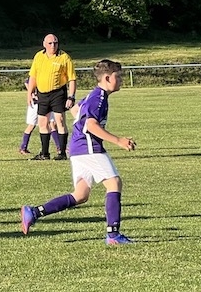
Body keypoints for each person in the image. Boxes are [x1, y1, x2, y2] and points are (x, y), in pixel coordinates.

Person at [21, 59, 136, 245]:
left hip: (78, 148)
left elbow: (77, 111)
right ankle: (113, 235)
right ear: (107, 78)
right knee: (114, 183)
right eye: (118, 76)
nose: (121, 80)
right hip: (88, 147)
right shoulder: (98, 99)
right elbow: (91, 125)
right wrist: (118, 141)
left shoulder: (95, 96)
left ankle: (34, 212)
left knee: (81, 195)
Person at [25, 33, 76, 161]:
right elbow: (33, 76)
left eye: (55, 43)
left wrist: (71, 97)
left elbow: (72, 78)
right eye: (50, 43)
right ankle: (44, 153)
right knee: (43, 122)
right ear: (44, 44)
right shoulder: (39, 56)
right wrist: (29, 93)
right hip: (42, 94)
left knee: (60, 121)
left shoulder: (64, 57)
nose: (53, 45)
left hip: (58, 93)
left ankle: (62, 153)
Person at [19, 80, 62, 155]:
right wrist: (31, 93)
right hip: (35, 104)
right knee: (31, 125)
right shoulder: (36, 75)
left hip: (46, 102)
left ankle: (59, 147)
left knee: (52, 124)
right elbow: (27, 82)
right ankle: (23, 148)